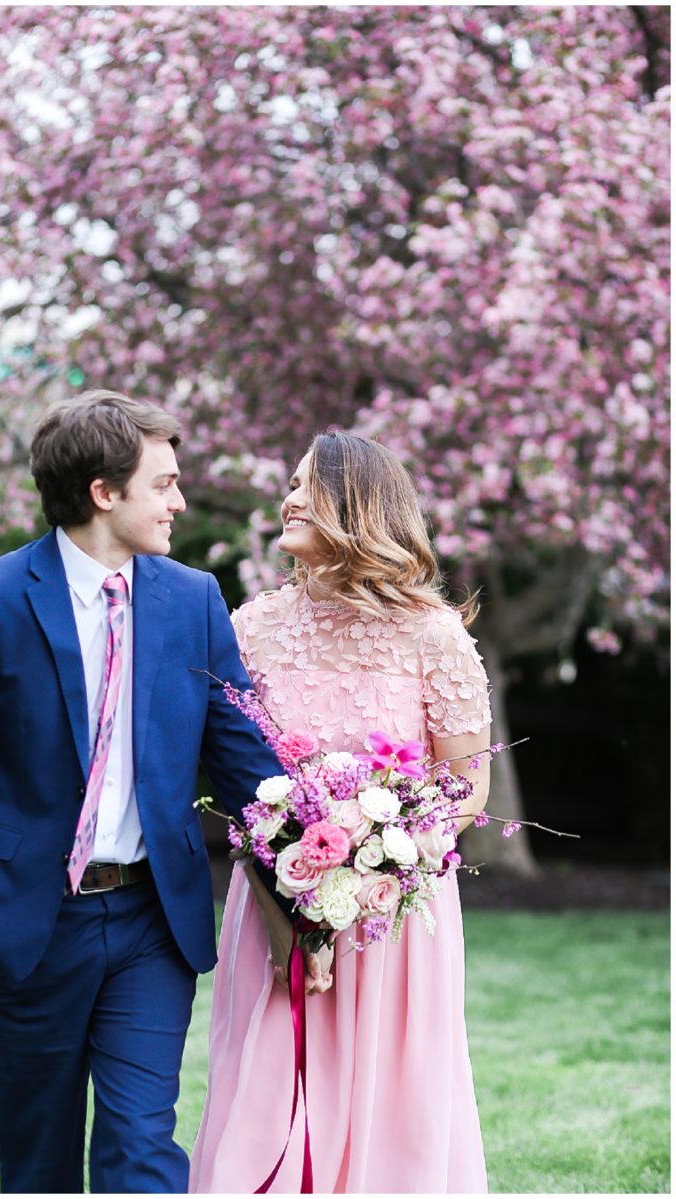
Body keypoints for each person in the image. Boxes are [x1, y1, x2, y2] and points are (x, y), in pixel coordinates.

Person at [0, 391, 281, 1193]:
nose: (180, 501)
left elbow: (245, 762)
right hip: (30, 923)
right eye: (165, 483)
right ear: (104, 493)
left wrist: (325, 859)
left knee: (142, 1147)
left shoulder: (194, 599)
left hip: (154, 919)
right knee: (39, 1162)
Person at [190, 430, 493, 1192]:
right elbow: (231, 768)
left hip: (393, 919)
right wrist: (291, 878)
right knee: (264, 1082)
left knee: (391, 1100)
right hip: (271, 896)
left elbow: (468, 786)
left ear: (359, 503)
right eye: (288, 483)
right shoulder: (250, 626)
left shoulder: (434, 635)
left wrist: (379, 855)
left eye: (305, 485)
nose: (286, 498)